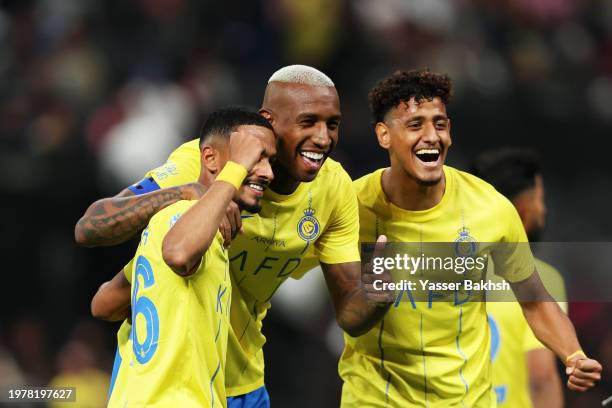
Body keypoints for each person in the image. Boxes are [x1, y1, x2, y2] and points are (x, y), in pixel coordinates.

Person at [80, 65, 391, 407]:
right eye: (308, 122)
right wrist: (195, 194)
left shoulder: (334, 190)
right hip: (168, 381)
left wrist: (377, 296)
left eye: (332, 124)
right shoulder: (205, 163)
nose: (323, 137)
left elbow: (349, 310)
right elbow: (92, 228)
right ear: (269, 122)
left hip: (242, 383)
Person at [339, 69, 601, 407]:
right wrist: (367, 299)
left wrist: (573, 354)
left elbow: (534, 299)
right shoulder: (350, 207)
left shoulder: (490, 207)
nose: (431, 135)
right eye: (415, 125)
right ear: (384, 135)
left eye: (440, 124)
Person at [97, 107, 276, 407]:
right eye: (254, 156)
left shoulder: (185, 228)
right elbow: (177, 254)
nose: (268, 172)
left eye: (270, 160)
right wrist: (232, 175)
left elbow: (103, 304)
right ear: (210, 159)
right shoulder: (183, 217)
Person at [473, 148, 566, 407]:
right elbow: (540, 377)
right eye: (540, 200)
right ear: (522, 212)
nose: (543, 211)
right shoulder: (541, 279)